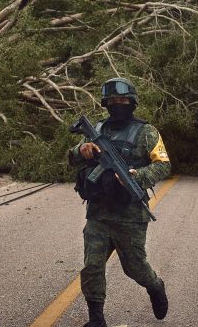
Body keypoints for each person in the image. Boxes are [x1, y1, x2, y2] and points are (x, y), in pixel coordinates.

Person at [67, 77, 171, 327]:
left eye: (123, 100)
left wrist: (137, 176)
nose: (118, 104)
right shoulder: (97, 130)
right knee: (92, 266)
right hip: (98, 213)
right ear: (106, 103)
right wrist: (82, 151)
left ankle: (155, 286)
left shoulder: (146, 132)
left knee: (135, 268)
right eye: (113, 100)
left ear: (132, 102)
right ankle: (96, 319)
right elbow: (72, 158)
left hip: (130, 215)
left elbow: (163, 165)